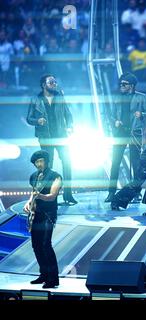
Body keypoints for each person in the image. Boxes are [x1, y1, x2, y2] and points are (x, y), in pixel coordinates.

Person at [26, 74, 77, 205]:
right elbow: (29, 118)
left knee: (67, 162)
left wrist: (70, 127)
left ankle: (68, 194)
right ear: (44, 85)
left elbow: (68, 114)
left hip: (61, 135)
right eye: (51, 82)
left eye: (55, 81)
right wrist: (38, 120)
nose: (54, 84)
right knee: (48, 167)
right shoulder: (36, 99)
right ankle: (49, 196)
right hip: (45, 137)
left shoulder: (60, 96)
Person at [105, 72, 146, 203]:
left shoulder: (141, 97)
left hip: (134, 133)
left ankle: (135, 193)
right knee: (115, 163)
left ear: (131, 86)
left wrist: (141, 114)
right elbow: (111, 115)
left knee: (136, 164)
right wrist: (115, 121)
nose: (121, 86)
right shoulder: (117, 98)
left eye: (124, 84)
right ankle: (111, 193)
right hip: (120, 133)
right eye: (120, 84)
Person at [23, 150, 61, 289]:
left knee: (46, 245)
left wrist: (40, 196)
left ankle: (53, 278)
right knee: (36, 246)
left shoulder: (55, 176)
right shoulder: (33, 176)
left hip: (48, 214)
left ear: (47, 161)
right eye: (36, 162)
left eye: (41, 161)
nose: (39, 164)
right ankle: (44, 274)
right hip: (36, 214)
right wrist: (29, 202)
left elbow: (52, 196)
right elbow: (33, 193)